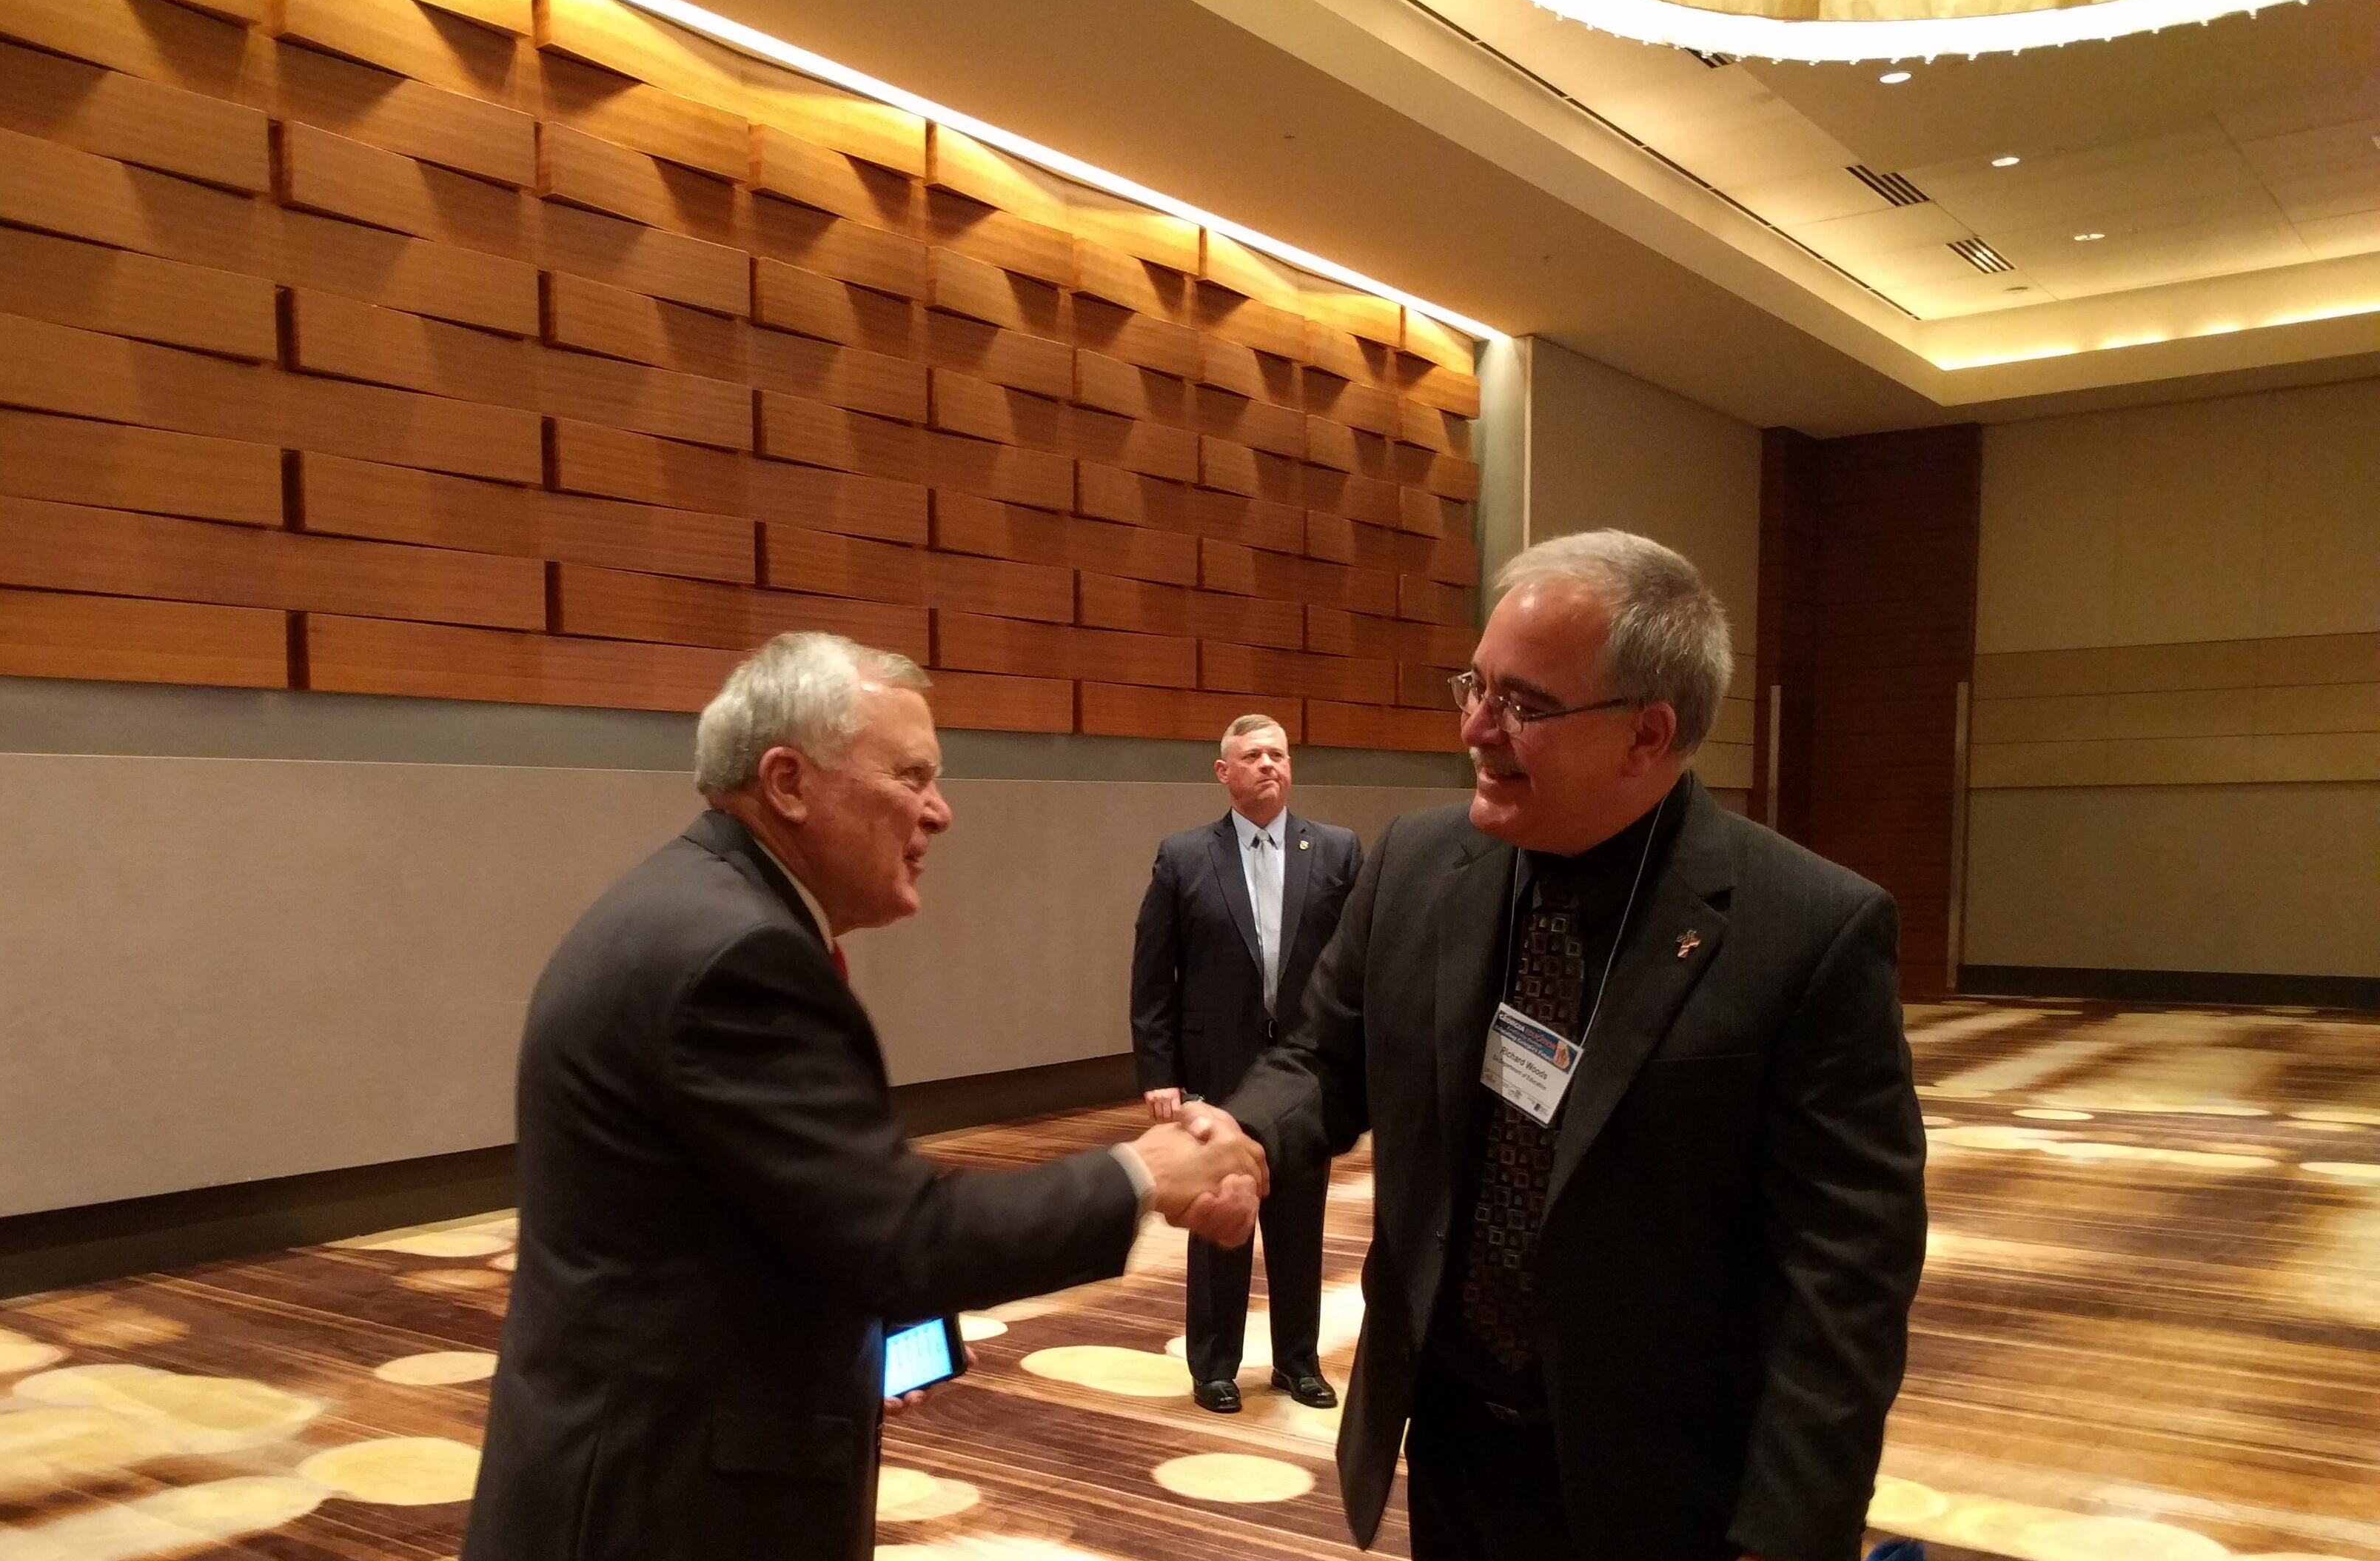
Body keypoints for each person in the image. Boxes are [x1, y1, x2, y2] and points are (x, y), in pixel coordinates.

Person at [463, 632, 1268, 1561]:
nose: (940, 813)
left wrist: (848, 1334)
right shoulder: (738, 957)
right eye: (912, 776)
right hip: (660, 1507)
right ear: (789, 782)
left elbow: (771, 1210)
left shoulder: (703, 909)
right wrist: (1144, 1170)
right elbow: (906, 1235)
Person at [1214, 531, 1927, 1561]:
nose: (1474, 728)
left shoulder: (1809, 930)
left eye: (1523, 705)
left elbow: (1846, 1275)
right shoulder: (1418, 866)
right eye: (1475, 686)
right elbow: (1325, 1059)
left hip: (1667, 1488)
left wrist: (1788, 1533)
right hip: (1455, 1443)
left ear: (1648, 735)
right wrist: (1246, 1139)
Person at [1130, 714, 1364, 1414]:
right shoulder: (1184, 857)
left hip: (1306, 1077)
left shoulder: (1336, 850)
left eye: (1279, 754)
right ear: (1223, 772)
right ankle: (1215, 1365)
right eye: (1252, 755)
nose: (1269, 764)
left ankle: (1297, 1360)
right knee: (1219, 1217)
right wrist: (1159, 1073)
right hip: (1216, 1074)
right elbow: (1153, 974)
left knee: (1300, 1219)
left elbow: (1355, 968)